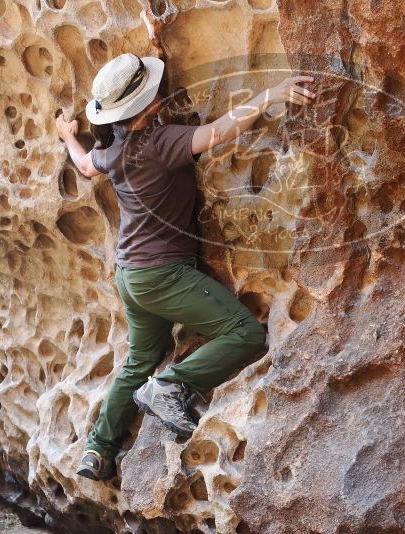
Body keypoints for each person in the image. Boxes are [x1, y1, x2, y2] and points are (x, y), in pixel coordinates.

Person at [54, 53, 315, 481]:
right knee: (245, 333)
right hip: (163, 275)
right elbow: (216, 133)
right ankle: (171, 386)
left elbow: (84, 166)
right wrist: (270, 94)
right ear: (149, 102)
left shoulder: (111, 148)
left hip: (130, 275)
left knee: (140, 359)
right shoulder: (163, 143)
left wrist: (68, 134)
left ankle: (97, 451)